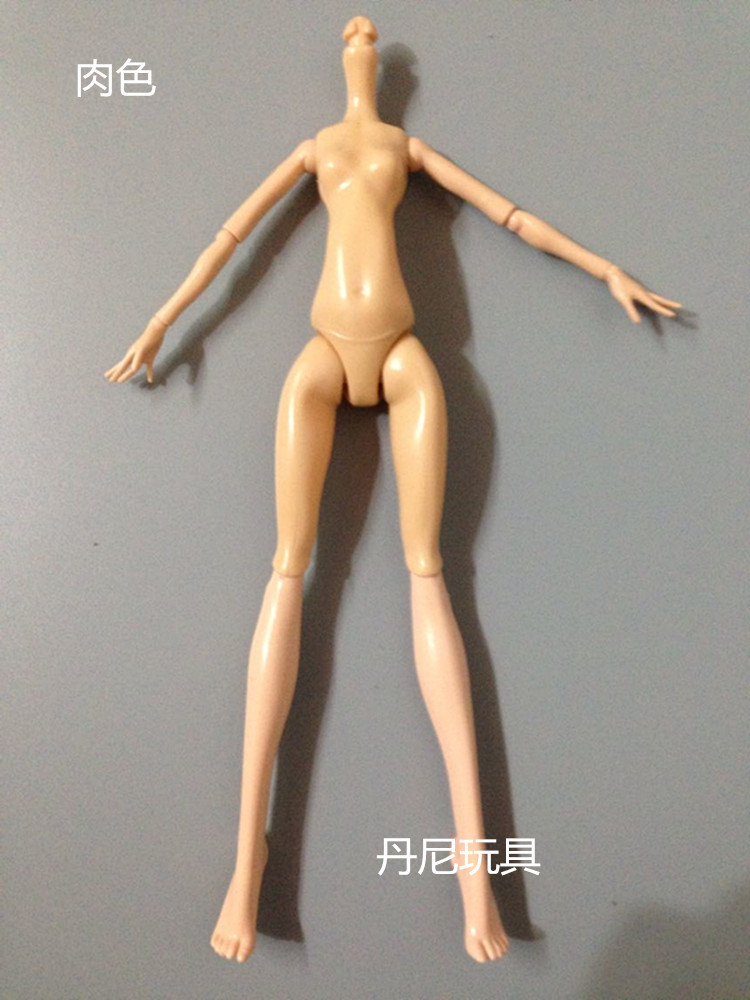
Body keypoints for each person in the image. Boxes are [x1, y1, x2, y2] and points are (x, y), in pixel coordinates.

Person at [105, 16, 680, 964]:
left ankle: (475, 874)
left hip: (408, 360)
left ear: (375, 65)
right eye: (353, 32)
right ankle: (247, 862)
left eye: (369, 33)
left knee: (430, 573)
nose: (362, 32)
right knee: (288, 570)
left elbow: (510, 216)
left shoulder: (408, 152)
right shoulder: (315, 150)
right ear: (349, 60)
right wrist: (163, 324)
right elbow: (232, 241)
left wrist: (605, 269)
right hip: (325, 356)